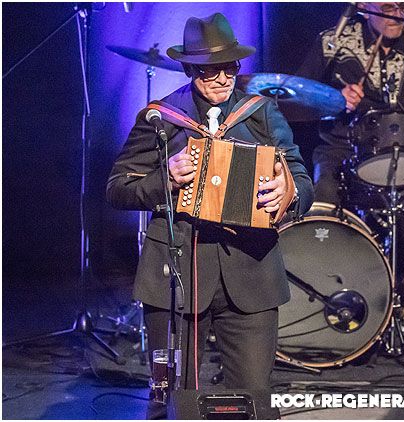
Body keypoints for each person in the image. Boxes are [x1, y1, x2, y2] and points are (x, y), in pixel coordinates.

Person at [106, 11, 313, 405]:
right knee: (169, 399)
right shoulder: (161, 118)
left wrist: (286, 192)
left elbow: (302, 180)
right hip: (176, 278)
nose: (222, 78)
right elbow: (117, 189)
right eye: (209, 70)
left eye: (230, 67)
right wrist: (165, 178)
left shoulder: (260, 112)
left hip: (252, 273)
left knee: (254, 400)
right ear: (189, 69)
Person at [297, 2, 404, 323]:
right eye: (388, 7)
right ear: (362, 6)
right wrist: (334, 100)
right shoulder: (332, 42)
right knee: (323, 192)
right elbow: (296, 96)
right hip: (343, 150)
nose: (397, 14)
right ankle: (324, 292)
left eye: (402, 6)